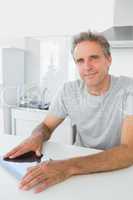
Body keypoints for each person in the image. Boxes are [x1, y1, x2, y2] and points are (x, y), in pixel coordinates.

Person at [4, 31, 133, 193]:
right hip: (79, 170)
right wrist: (36, 136)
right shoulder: (68, 91)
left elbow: (128, 151)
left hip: (116, 170)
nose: (87, 66)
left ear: (109, 60)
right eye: (80, 60)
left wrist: (67, 167)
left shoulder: (129, 89)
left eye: (94, 58)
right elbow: (46, 126)